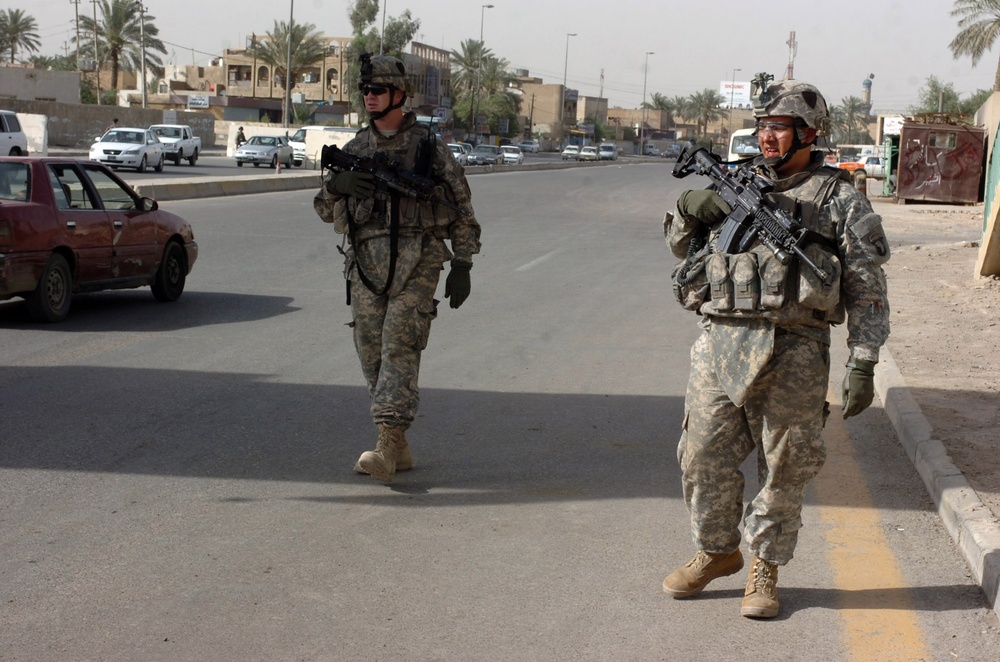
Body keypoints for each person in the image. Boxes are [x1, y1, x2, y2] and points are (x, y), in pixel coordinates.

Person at [661, 73, 890, 618]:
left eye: (781, 128)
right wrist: (689, 207)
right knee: (701, 455)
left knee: (784, 466)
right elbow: (678, 247)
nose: (767, 137)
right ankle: (717, 552)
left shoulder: (839, 198)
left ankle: (765, 569)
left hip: (795, 347)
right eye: (763, 126)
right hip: (720, 340)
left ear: (810, 134)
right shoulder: (730, 182)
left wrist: (863, 360)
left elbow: (868, 287)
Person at [313, 53, 482, 483]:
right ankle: (399, 446)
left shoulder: (428, 149)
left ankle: (387, 443)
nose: (369, 97)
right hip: (367, 264)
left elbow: (461, 208)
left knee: (399, 346)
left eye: (378, 90)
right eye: (365, 91)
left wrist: (462, 262)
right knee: (370, 352)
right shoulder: (355, 149)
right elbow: (323, 207)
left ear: (399, 95)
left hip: (418, 259)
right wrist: (337, 185)